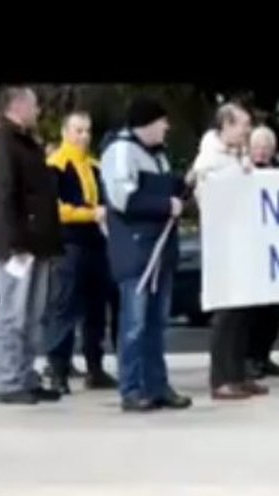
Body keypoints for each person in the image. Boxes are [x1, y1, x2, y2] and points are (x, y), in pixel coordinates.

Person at [99, 97, 192, 412]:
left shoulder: (158, 155)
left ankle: (157, 385)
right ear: (148, 123)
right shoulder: (121, 152)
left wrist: (186, 184)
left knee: (156, 324)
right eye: (162, 121)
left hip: (160, 251)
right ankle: (132, 388)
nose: (167, 127)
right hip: (137, 252)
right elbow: (123, 199)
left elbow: (166, 188)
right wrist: (166, 205)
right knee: (135, 324)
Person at [0, 87, 63, 404]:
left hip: (36, 240)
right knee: (13, 312)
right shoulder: (2, 142)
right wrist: (12, 240)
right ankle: (7, 380)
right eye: (34, 104)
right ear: (17, 105)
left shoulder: (25, 142)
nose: (38, 110)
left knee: (31, 314)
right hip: (18, 243)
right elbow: (1, 194)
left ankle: (25, 375)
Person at [190, 102, 266, 400]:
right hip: (223, 246)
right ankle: (221, 378)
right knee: (227, 313)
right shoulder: (210, 160)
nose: (247, 130)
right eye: (243, 124)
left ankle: (238, 373)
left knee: (243, 311)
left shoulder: (236, 156)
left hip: (241, 244)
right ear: (226, 125)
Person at [43, 111, 119, 394]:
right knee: (64, 308)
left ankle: (95, 367)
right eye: (78, 130)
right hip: (69, 244)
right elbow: (55, 208)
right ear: (65, 132)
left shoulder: (94, 166)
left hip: (96, 244)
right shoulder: (55, 164)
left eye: (87, 131)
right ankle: (58, 371)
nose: (84, 136)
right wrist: (90, 214)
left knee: (96, 309)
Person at [244, 125, 279, 380]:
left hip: (274, 252)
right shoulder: (242, 172)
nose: (261, 151)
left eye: (266, 147)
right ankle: (249, 358)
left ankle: (263, 355)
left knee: (273, 312)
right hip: (251, 252)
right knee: (253, 311)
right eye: (257, 147)